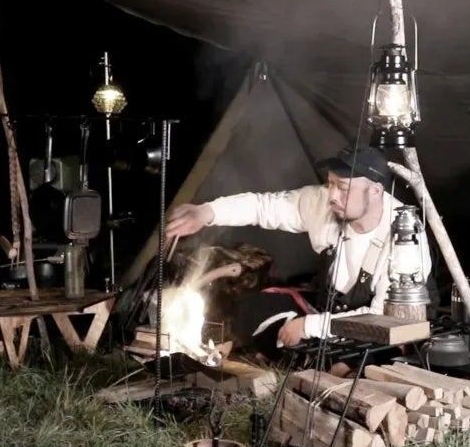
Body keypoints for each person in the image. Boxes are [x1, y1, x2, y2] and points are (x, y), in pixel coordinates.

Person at [164, 144, 435, 358]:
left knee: (373, 350)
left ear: (375, 191)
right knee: (253, 308)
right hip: (330, 312)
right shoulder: (324, 203)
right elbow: (264, 207)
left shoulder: (405, 236)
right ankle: (304, 352)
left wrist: (309, 327)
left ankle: (331, 364)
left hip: (379, 327)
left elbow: (383, 320)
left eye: (343, 188)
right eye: (330, 183)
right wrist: (207, 212)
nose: (332, 196)